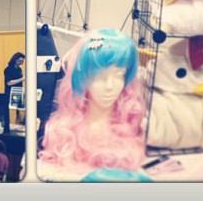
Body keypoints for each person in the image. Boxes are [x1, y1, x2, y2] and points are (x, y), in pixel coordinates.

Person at [38, 29, 146, 177]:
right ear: (83, 78)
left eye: (119, 75)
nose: (110, 86)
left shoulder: (132, 129)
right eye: (99, 77)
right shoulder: (63, 134)